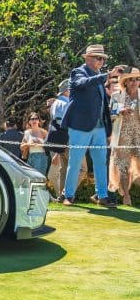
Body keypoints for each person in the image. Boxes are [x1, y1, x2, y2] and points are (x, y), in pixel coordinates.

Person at [60, 44, 124, 207]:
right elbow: (83, 83)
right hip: (80, 126)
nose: (101, 61)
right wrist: (107, 75)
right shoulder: (78, 72)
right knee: (75, 162)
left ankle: (101, 196)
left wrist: (108, 127)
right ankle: (68, 195)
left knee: (100, 163)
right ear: (88, 58)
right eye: (98, 58)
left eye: (103, 59)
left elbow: (102, 104)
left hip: (100, 128)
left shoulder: (98, 77)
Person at [108, 67, 140, 205]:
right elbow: (110, 114)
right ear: (125, 82)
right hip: (121, 135)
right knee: (122, 166)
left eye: (137, 79)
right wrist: (120, 110)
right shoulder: (116, 96)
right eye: (131, 79)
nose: (134, 82)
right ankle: (126, 197)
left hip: (138, 136)